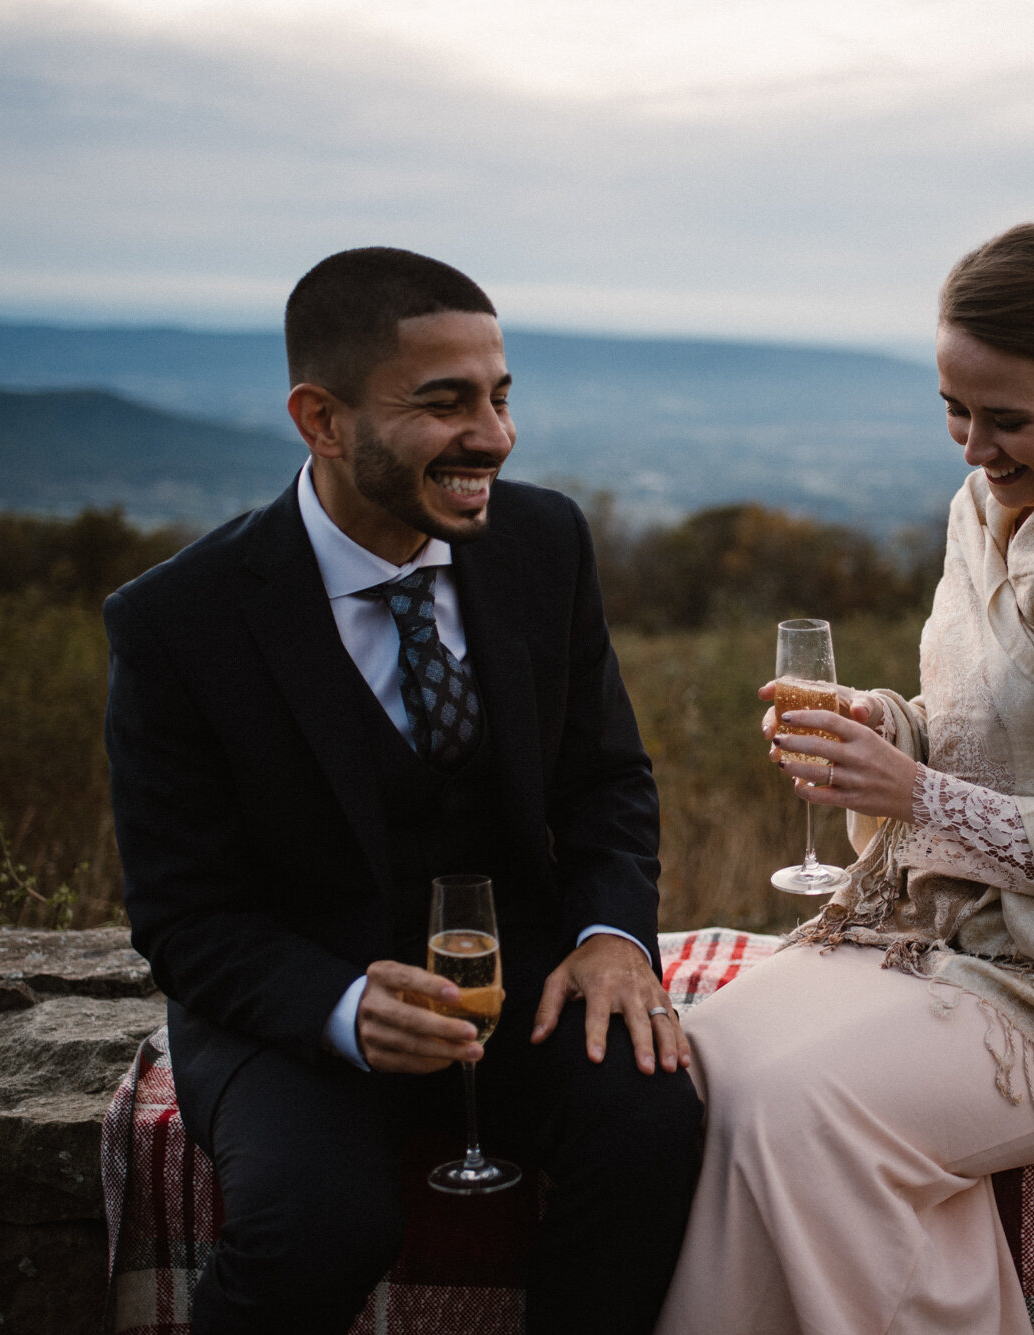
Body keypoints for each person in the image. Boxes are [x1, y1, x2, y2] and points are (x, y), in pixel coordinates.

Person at [656, 223, 1034, 1334]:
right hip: (942, 941)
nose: (972, 445)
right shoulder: (976, 513)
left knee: (804, 1110)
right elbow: (986, 728)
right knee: (710, 1059)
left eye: (1005, 417)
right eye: (952, 407)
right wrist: (883, 727)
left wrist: (914, 795)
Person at [105, 247, 702, 1335]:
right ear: (320, 420)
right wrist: (344, 1010)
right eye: (445, 403)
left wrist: (614, 933)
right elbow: (184, 917)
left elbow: (605, 781)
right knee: (318, 1226)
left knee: (653, 1130)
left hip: (514, 983)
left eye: (499, 396)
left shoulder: (543, 540)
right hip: (293, 1014)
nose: (494, 436)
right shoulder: (177, 625)